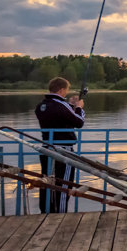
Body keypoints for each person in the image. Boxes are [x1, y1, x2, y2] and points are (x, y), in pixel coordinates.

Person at [34, 76, 85, 214]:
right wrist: (79, 108)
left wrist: (71, 106)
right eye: (66, 90)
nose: (66, 93)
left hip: (46, 148)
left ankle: (46, 211)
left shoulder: (41, 106)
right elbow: (79, 122)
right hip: (64, 150)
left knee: (47, 182)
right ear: (62, 89)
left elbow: (60, 118)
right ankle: (60, 214)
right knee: (63, 184)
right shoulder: (61, 105)